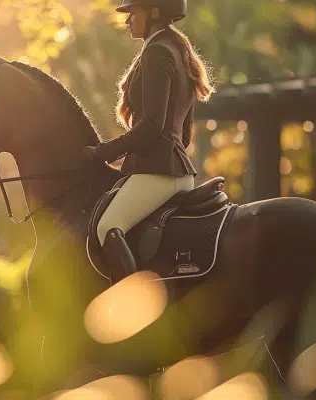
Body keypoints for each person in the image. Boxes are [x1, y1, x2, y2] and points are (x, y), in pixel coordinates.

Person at [84, 0, 216, 278]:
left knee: (107, 228)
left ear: (155, 13)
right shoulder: (178, 50)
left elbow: (152, 125)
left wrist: (103, 152)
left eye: (133, 12)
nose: (127, 20)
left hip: (158, 173)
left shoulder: (157, 51)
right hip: (177, 172)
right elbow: (185, 133)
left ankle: (126, 310)